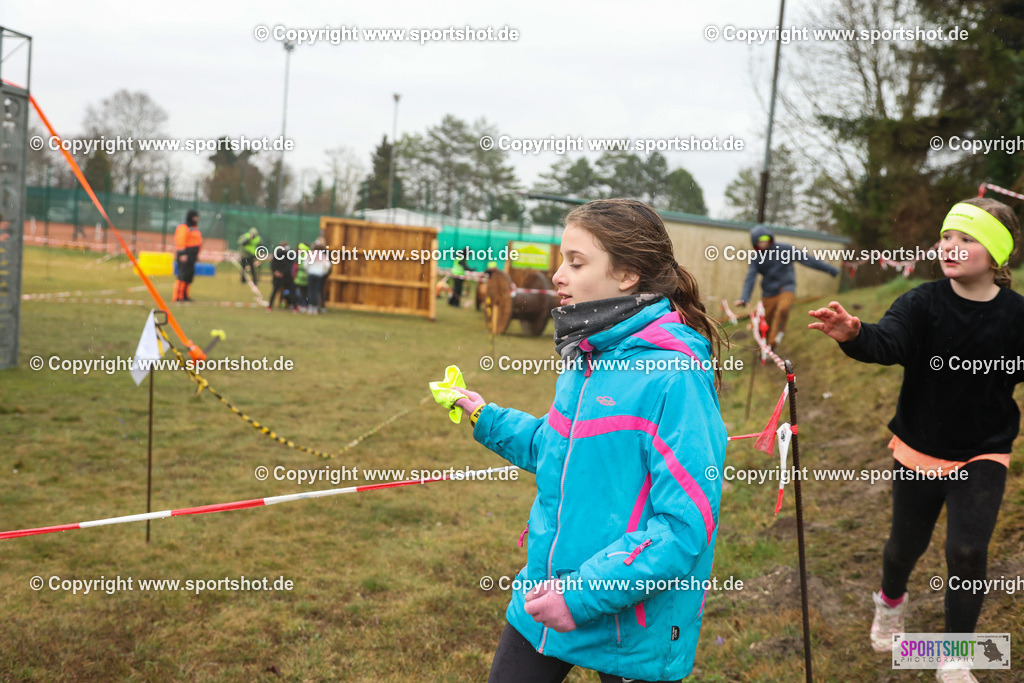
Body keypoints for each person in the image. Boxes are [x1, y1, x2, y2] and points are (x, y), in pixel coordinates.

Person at [445, 199, 728, 683]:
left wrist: (580, 596)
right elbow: (559, 447)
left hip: (630, 625)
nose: (558, 276)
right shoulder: (588, 353)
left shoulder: (675, 376)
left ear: (627, 275)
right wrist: (486, 418)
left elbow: (684, 525)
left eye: (576, 263)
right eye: (562, 261)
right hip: (544, 596)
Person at [808, 197, 1022, 683]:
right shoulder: (921, 303)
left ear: (996, 254)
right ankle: (890, 601)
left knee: (967, 552)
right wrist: (854, 332)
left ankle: (955, 656)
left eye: (967, 238)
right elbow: (888, 342)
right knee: (906, 546)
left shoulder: (1016, 316)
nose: (951, 245)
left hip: (984, 451)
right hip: (918, 447)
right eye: (947, 235)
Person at [735, 225, 839, 348]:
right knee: (763, 323)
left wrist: (830, 269)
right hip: (768, 293)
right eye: (760, 241)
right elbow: (750, 279)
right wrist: (744, 297)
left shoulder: (785, 249)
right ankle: (763, 347)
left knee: (783, 309)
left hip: (786, 288)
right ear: (755, 243)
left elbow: (807, 259)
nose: (764, 242)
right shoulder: (756, 259)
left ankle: (774, 343)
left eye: (765, 239)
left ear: (770, 238)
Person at [173, 210, 202, 302]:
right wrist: (182, 254)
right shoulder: (184, 227)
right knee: (182, 275)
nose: (197, 219)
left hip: (192, 256)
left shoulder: (194, 229)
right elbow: (180, 241)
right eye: (195, 217)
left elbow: (197, 242)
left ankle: (185, 296)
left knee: (189, 276)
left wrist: (197, 255)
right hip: (185, 254)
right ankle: (178, 296)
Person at [305, 238, 331, 315]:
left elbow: (305, 264)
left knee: (310, 291)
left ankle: (310, 307)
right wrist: (323, 272)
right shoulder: (323, 255)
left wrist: (308, 271)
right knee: (316, 291)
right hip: (319, 275)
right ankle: (315, 308)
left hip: (311, 274)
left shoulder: (310, 254)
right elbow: (327, 265)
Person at [267, 241, 294, 311]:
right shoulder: (280, 255)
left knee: (289, 291)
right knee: (276, 292)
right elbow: (288, 266)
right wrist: (277, 272)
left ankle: (293, 305)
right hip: (283, 277)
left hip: (284, 277)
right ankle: (270, 306)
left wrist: (278, 272)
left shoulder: (288, 255)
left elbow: (288, 266)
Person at [292, 242, 309, 313]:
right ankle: (304, 305)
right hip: (306, 277)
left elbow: (295, 267)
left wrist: (294, 275)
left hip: (299, 277)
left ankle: (297, 306)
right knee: (305, 293)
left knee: (299, 292)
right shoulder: (309, 256)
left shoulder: (299, 256)